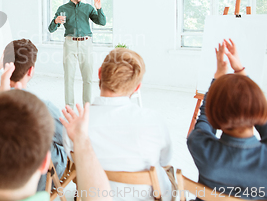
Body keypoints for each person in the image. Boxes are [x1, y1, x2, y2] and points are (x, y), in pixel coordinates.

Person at [63, 48, 173, 201]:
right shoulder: (153, 121)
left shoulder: (75, 124)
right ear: (137, 87)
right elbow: (165, 161)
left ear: (99, 73)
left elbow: (75, 162)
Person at [187, 39, 267, 199]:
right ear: (259, 110)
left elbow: (204, 117)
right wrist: (240, 71)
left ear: (214, 113)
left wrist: (218, 77)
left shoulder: (200, 146)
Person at [2, 39, 67, 191]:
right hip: (39, 178)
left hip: (3, 174)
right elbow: (66, 137)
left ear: (5, 66)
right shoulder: (44, 108)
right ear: (31, 71)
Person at [48, 0, 106, 107]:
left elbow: (102, 22)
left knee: (88, 78)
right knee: (69, 78)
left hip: (86, 44)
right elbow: (51, 29)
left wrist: (99, 8)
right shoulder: (62, 9)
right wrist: (56, 21)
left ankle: (87, 107)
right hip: (70, 44)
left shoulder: (88, 8)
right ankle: (69, 108)